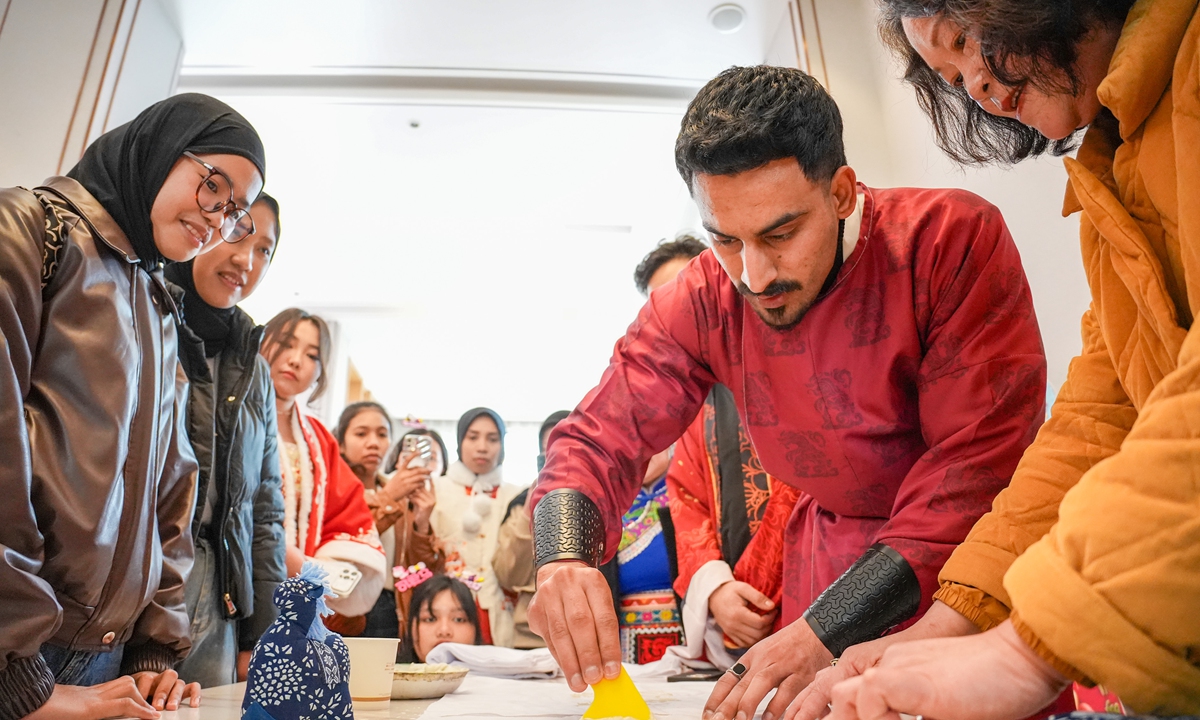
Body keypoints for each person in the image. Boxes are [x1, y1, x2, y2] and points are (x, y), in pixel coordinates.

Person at [526, 65, 1050, 720]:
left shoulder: (944, 242)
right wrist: (563, 556)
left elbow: (976, 467)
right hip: (822, 573)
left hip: (960, 574)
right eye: (724, 239)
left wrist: (828, 629)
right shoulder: (702, 298)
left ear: (842, 192)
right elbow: (598, 434)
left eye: (780, 234)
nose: (754, 275)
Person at [791, 0, 1200, 717]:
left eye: (963, 44)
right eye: (948, 77)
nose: (972, 87)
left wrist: (1027, 647)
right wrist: (955, 621)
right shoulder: (1115, 167)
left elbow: (980, 455)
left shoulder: (952, 235)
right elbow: (1099, 417)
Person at [0, 93, 265, 718]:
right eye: (212, 187)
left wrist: (154, 652)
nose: (216, 220)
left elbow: (173, 487)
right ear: (161, 149)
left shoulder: (157, 303)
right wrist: (18, 676)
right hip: (25, 651)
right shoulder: (31, 229)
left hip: (110, 664)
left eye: (234, 213)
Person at [168, 194, 286, 689]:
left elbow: (264, 508)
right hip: (138, 582)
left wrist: (260, 635)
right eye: (240, 232)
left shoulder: (255, 368)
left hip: (219, 595)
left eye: (265, 250)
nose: (246, 260)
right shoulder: (147, 320)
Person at [260, 309, 387, 625]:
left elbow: (347, 513)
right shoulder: (233, 415)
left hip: (301, 595)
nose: (295, 360)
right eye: (287, 344)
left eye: (311, 355)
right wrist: (294, 562)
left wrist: (314, 572)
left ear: (320, 372)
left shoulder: (319, 439)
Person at [335, 401, 443, 639]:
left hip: (393, 608)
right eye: (361, 433)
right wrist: (389, 497)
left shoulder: (400, 495)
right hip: (343, 607)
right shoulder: (334, 489)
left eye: (382, 434)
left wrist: (421, 524)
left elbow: (421, 571)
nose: (373, 442)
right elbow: (347, 543)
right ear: (341, 443)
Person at [431, 408, 522, 647]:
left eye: (492, 439)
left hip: (501, 610)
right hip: (448, 611)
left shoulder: (517, 495)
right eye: (473, 437)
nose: (482, 447)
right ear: (460, 441)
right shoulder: (435, 490)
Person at [493, 411, 569, 650]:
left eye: (566, 448)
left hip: (589, 633)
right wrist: (530, 510)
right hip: (530, 639)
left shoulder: (607, 500)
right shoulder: (520, 505)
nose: (557, 458)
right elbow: (508, 575)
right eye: (550, 452)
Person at [397, 575, 485, 663]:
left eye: (458, 619)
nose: (444, 631)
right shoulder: (388, 675)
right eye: (430, 619)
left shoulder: (494, 675)